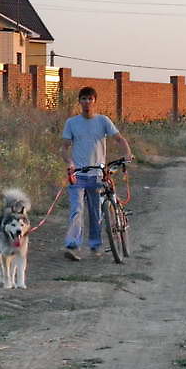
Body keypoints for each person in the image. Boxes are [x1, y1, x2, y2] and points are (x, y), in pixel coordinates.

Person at [60, 86, 132, 261]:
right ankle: (72, 246)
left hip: (97, 174)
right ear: (79, 101)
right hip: (78, 174)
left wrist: (127, 153)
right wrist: (69, 163)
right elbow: (64, 147)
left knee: (95, 212)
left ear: (95, 101)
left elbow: (119, 139)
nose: (86, 102)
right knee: (76, 210)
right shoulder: (72, 123)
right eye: (83, 99)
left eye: (90, 99)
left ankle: (95, 245)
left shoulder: (103, 121)